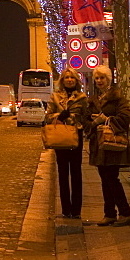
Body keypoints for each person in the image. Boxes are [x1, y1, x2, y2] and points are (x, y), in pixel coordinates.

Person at [86, 64, 130, 227]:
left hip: (112, 143)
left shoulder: (118, 97)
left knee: (112, 179)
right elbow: (85, 119)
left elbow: (126, 116)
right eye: (97, 78)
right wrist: (92, 123)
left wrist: (107, 120)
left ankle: (125, 213)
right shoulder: (92, 99)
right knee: (105, 180)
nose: (99, 81)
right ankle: (109, 214)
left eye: (102, 78)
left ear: (109, 79)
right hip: (98, 145)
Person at [44, 67, 87, 219]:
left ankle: (76, 210)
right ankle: (65, 209)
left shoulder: (82, 98)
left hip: (76, 137)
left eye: (72, 78)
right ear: (62, 80)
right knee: (62, 173)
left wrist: (72, 117)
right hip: (60, 137)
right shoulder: (54, 96)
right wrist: (60, 115)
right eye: (67, 77)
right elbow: (48, 117)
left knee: (76, 173)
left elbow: (85, 118)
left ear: (76, 80)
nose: (69, 80)